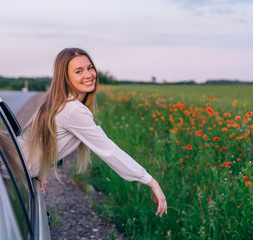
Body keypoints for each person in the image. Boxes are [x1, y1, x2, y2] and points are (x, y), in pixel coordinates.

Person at [21, 47, 167, 217]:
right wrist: (151, 181)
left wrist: (35, 169)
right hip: (11, 169)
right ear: (65, 78)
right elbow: (109, 151)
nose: (89, 75)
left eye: (90, 68)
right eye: (78, 71)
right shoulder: (72, 110)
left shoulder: (59, 103)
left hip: (15, 167)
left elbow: (34, 142)